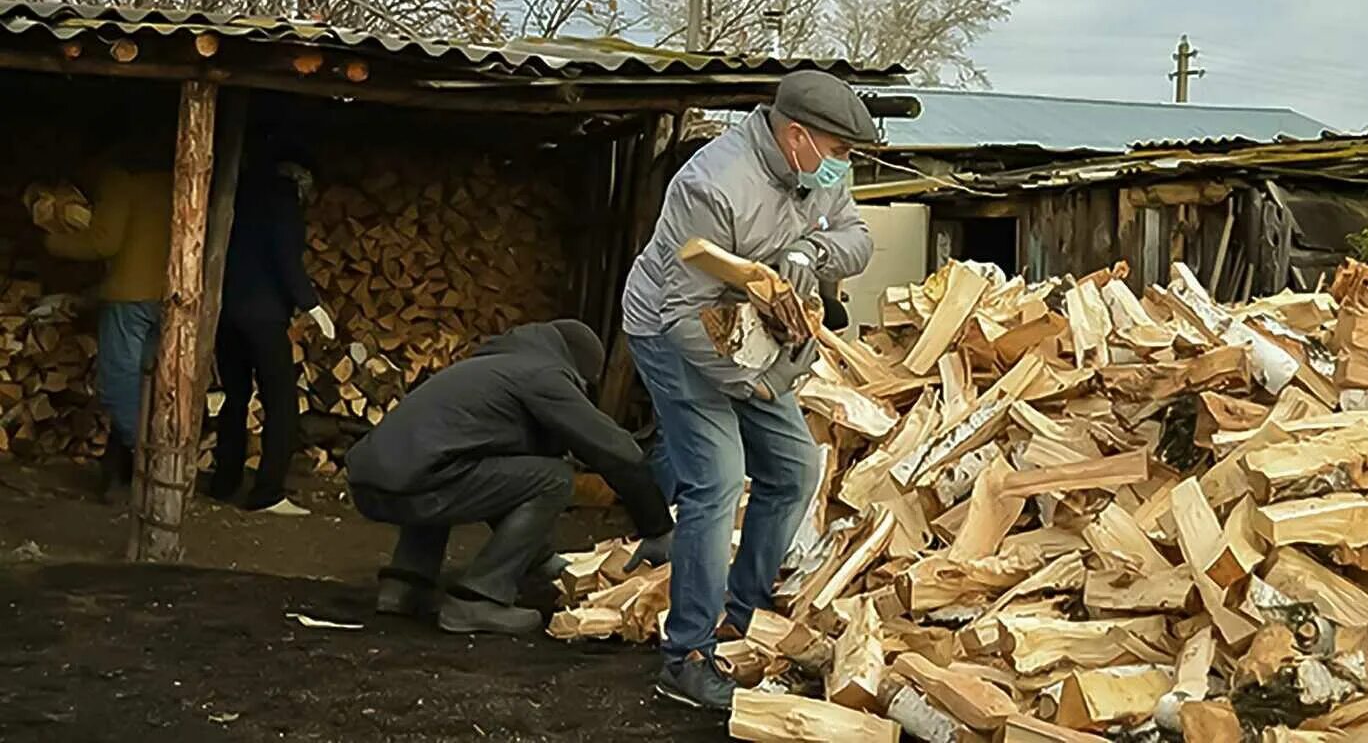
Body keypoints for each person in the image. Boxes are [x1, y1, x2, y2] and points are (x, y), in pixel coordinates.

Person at [621, 69, 877, 709]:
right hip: (672, 328)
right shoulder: (713, 186)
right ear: (798, 137)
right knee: (718, 477)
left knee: (793, 469)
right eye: (839, 153)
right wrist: (753, 384)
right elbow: (684, 313)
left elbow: (859, 237)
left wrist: (811, 254)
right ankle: (686, 654)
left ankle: (745, 613)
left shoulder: (822, 169)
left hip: (753, 329)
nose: (842, 168)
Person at [344, 320, 672, 636]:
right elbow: (618, 452)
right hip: (420, 483)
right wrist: (656, 527)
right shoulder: (544, 375)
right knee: (555, 478)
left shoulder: (491, 367)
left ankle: (405, 584)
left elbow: (496, 481)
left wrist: (541, 559)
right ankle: (478, 598)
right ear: (579, 370)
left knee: (448, 458)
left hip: (369, 482)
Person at [208, 146, 335, 516]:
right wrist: (312, 306)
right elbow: (285, 258)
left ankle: (224, 481)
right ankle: (267, 492)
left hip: (227, 312)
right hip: (264, 316)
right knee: (281, 404)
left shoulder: (237, 194)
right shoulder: (281, 201)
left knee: (235, 397)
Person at [43, 141, 173, 501]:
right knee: (150, 385)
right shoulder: (170, 179)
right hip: (168, 293)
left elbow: (104, 241)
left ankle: (151, 460)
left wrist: (53, 242)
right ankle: (130, 473)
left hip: (128, 294)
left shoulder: (120, 179)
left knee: (118, 384)